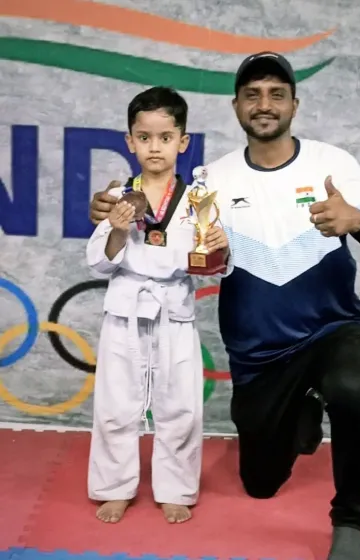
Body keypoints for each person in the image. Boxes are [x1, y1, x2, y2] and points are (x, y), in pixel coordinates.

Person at [89, 54, 360, 559]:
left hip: (332, 329)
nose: (264, 104)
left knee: (352, 394)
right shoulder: (211, 180)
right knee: (260, 483)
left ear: (295, 104)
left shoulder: (334, 163)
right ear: (236, 106)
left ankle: (348, 521)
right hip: (259, 350)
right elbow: (175, 237)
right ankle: (302, 410)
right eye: (253, 94)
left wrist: (358, 221)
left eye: (277, 93)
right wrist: (109, 214)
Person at [86, 86, 229, 525]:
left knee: (180, 406)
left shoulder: (199, 199)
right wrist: (116, 229)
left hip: (174, 311)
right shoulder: (118, 195)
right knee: (115, 403)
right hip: (125, 311)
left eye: (165, 137)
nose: (154, 147)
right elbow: (98, 263)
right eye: (144, 137)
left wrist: (219, 246)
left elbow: (214, 266)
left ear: (182, 142)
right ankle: (114, 488)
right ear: (130, 141)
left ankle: (176, 489)